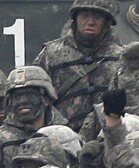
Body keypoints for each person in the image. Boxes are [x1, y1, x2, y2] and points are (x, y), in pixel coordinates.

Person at [34, 0, 123, 134]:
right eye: (85, 15)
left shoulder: (121, 57)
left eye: (97, 17)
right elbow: (35, 99)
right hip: (64, 138)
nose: (90, 22)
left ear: (107, 22)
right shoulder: (51, 54)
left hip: (110, 137)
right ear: (75, 18)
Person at [0, 66, 68, 168]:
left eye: (30, 95)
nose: (23, 102)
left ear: (46, 99)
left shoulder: (65, 134)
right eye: (17, 97)